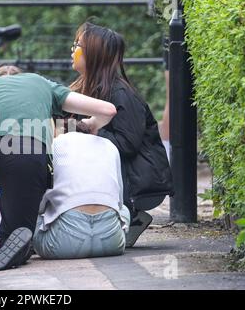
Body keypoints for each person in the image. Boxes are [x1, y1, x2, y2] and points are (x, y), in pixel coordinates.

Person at [0, 65, 117, 273]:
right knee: (17, 235)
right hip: (31, 154)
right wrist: (92, 124)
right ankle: (15, 247)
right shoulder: (42, 84)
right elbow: (108, 110)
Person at [67, 21, 174, 247]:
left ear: (94, 54)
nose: (72, 49)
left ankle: (129, 215)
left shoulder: (121, 93)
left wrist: (90, 129)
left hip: (139, 181)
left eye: (78, 45)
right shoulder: (82, 88)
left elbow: (127, 145)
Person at [33, 121, 131, 259]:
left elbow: (39, 205)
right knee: (124, 209)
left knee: (30, 212)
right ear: (92, 133)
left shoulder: (54, 145)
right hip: (111, 244)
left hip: (63, 245)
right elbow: (119, 202)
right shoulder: (110, 146)